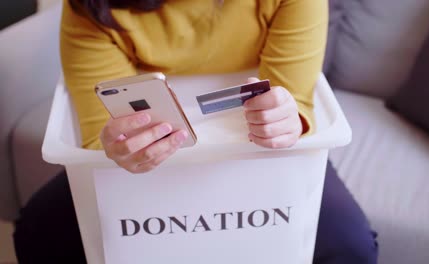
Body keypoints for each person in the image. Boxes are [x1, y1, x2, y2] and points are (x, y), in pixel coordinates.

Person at [13, 0, 378, 263]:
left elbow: (295, 102)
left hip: (263, 157)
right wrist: (118, 145)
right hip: (145, 168)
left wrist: (287, 121)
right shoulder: (92, 8)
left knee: (349, 245)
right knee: (38, 233)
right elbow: (100, 129)